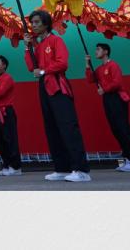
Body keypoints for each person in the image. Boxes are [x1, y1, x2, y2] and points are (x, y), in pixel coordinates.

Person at [23, 10, 91, 183]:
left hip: (58, 86)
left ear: (46, 24)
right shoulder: (39, 45)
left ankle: (81, 170)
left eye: (37, 22)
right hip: (44, 87)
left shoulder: (56, 40)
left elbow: (62, 63)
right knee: (52, 128)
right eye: (32, 22)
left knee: (68, 127)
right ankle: (62, 168)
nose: (34, 25)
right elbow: (31, 67)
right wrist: (27, 47)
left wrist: (43, 71)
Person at [85, 43, 130, 172]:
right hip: (107, 99)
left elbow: (117, 83)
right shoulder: (99, 69)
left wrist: (104, 89)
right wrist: (87, 65)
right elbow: (91, 79)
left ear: (106, 52)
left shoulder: (113, 65)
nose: (96, 51)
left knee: (123, 128)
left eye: (98, 49)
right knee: (116, 129)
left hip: (117, 98)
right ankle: (127, 159)